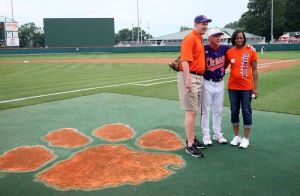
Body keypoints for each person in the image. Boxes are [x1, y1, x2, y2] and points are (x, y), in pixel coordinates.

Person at [178, 15, 212, 158]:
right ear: (195, 24)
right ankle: (190, 145)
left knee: (194, 110)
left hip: (198, 76)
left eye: (206, 24)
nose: (205, 26)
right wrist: (188, 79)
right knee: (191, 111)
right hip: (191, 76)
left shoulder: (199, 38)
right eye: (202, 24)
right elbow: (185, 60)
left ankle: (192, 138)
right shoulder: (190, 37)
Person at [226, 30, 258, 148]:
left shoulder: (250, 51)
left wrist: (256, 88)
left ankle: (246, 138)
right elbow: (222, 66)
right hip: (233, 87)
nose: (240, 40)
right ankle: (236, 136)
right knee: (234, 111)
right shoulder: (229, 52)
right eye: (237, 38)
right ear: (233, 39)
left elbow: (254, 70)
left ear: (244, 39)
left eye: (242, 38)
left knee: (246, 111)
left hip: (246, 87)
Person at [200, 28, 229, 146]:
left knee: (218, 111)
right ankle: (206, 135)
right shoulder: (204, 49)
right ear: (210, 38)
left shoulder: (225, 48)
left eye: (220, 36)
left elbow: (239, 50)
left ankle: (217, 134)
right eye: (216, 36)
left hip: (220, 83)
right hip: (207, 82)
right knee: (205, 111)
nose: (219, 38)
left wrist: (249, 47)